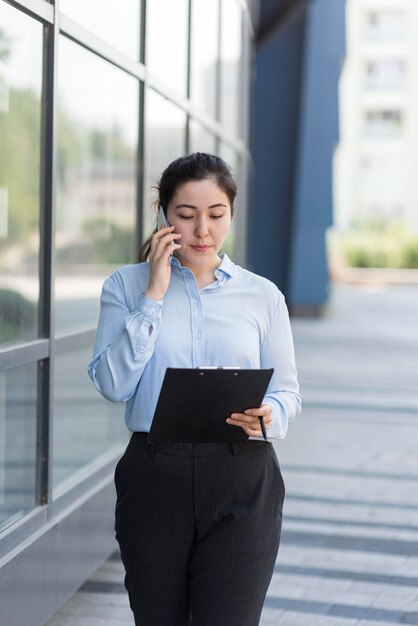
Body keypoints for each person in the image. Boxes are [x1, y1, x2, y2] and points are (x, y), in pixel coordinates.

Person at [88, 152, 301, 626]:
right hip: (154, 477)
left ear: (231, 213)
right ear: (164, 215)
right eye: (186, 215)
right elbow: (113, 383)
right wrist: (154, 295)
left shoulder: (263, 295)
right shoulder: (125, 287)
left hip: (243, 477)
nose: (202, 230)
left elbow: (287, 391)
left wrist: (271, 413)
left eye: (216, 215)